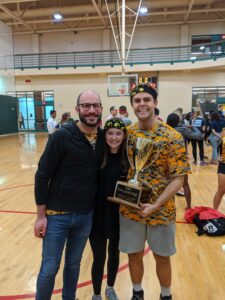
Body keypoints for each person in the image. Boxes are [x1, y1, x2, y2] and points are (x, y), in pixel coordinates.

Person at [119, 84, 190, 300]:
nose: (142, 104)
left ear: (155, 103)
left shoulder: (172, 137)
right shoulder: (127, 133)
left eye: (146, 100)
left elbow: (179, 180)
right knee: (133, 255)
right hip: (131, 207)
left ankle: (165, 295)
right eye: (137, 100)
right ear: (132, 105)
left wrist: (156, 204)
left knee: (162, 257)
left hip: (162, 210)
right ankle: (137, 292)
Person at [34, 90, 104, 300]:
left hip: (85, 216)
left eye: (95, 105)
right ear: (78, 110)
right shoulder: (62, 136)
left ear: (100, 109)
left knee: (73, 265)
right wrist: (40, 216)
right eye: (86, 106)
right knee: (49, 267)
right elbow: (42, 175)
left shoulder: (103, 139)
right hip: (57, 215)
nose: (91, 110)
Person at [90, 118, 128, 300]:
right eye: (110, 133)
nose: (114, 137)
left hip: (118, 216)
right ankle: (96, 294)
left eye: (118, 134)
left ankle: (110, 288)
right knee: (98, 258)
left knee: (114, 254)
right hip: (97, 215)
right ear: (105, 135)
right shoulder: (97, 157)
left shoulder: (127, 161)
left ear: (124, 136)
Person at [166, 113, 203, 209]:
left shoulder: (164, 130)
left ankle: (166, 206)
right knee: (185, 184)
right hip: (181, 159)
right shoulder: (183, 130)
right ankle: (188, 206)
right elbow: (199, 136)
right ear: (178, 121)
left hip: (166, 160)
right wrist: (192, 127)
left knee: (167, 184)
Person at [213, 127, 225, 210]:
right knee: (221, 190)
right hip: (223, 164)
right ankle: (214, 212)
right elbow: (220, 142)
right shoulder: (224, 130)